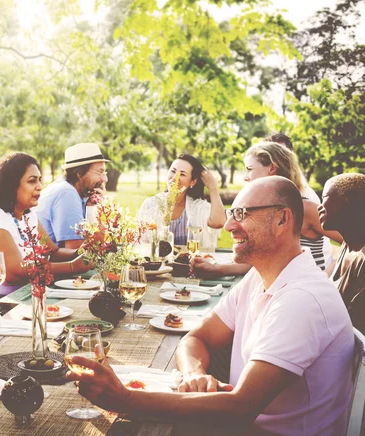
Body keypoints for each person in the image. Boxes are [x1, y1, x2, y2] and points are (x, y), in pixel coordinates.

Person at [67, 177, 354, 436]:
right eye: (232, 214)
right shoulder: (261, 275)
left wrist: (125, 399)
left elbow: (239, 407)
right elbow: (197, 337)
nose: (229, 225)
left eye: (241, 214)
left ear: (282, 220)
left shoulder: (302, 299)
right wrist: (193, 374)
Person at [0, 153, 93, 293]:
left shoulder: (28, 215)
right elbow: (15, 273)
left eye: (39, 180)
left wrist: (82, 252)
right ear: (12, 184)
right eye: (32, 181)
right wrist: (72, 267)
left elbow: (52, 253)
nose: (40, 186)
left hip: (34, 292)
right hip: (2, 301)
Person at [242, 141, 342, 271]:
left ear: (272, 168)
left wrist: (332, 274)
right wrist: (215, 269)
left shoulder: (304, 209)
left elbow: (357, 243)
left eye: (249, 169)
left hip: (306, 289)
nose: (245, 177)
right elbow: (257, 265)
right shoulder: (266, 210)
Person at [265, 132, 334, 268]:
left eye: (281, 155)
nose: (276, 163)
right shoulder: (269, 198)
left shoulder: (305, 201)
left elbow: (350, 241)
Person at [137, 154, 226, 250]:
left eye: (182, 174)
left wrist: (213, 188)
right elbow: (141, 242)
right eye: (173, 171)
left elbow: (219, 222)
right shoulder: (151, 205)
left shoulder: (198, 207)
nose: (174, 178)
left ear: (192, 182)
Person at [37, 143, 108, 248]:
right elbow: (79, 254)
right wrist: (96, 212)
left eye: (104, 172)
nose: (104, 179)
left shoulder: (79, 194)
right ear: (79, 174)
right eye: (99, 172)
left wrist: (92, 208)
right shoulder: (66, 193)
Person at [321, 173, 365, 334]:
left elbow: (356, 327)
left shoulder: (362, 258)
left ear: (347, 202)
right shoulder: (349, 244)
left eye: (324, 197)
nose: (319, 206)